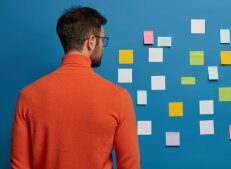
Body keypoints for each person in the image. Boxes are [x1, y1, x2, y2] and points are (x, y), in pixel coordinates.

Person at [10, 6, 140, 169]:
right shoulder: (119, 97)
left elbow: (19, 166)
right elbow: (130, 166)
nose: (103, 47)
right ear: (91, 42)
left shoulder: (27, 96)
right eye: (102, 40)